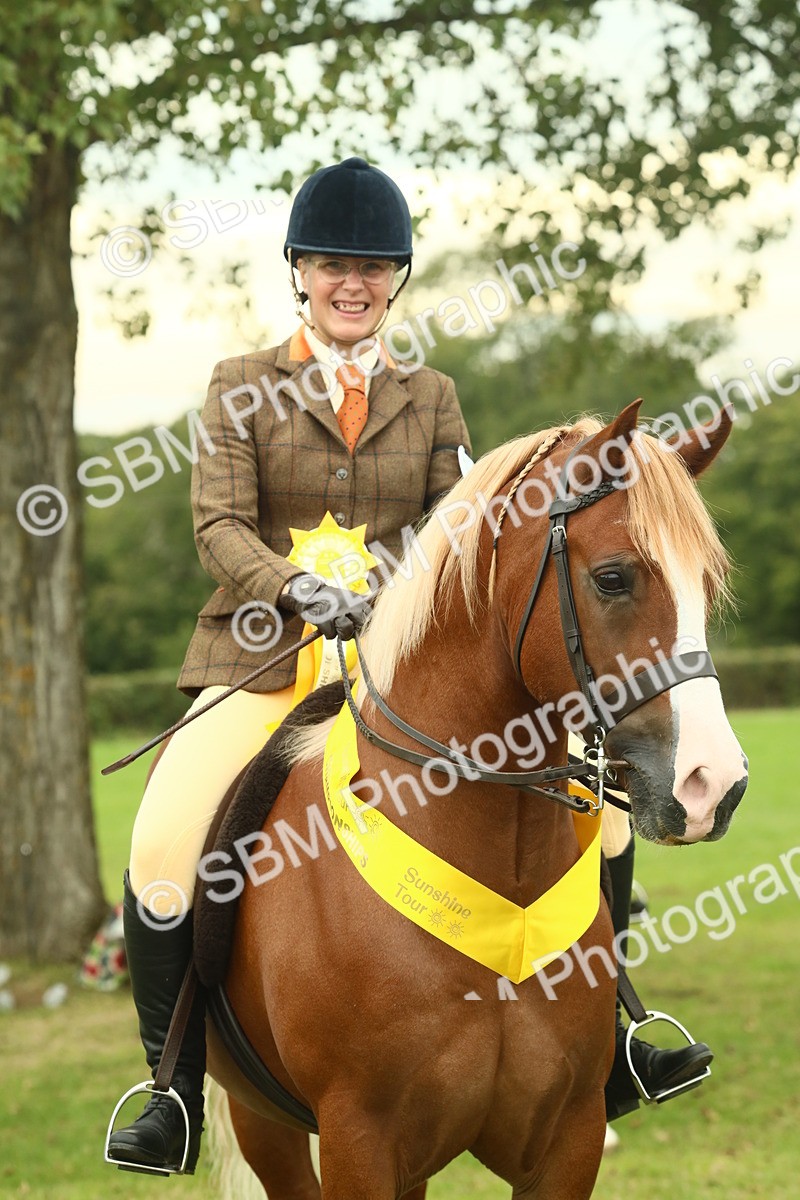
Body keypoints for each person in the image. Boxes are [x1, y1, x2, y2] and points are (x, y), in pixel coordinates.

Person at [106, 156, 710, 1178]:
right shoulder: (239, 386)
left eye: (374, 267)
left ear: (396, 280)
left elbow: (459, 532)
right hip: (265, 660)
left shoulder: (429, 397)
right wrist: (297, 590)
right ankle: (169, 1087)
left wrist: (392, 603)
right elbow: (216, 525)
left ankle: (614, 1037)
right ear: (298, 269)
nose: (354, 282)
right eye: (334, 263)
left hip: (396, 661)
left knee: (597, 809)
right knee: (168, 838)